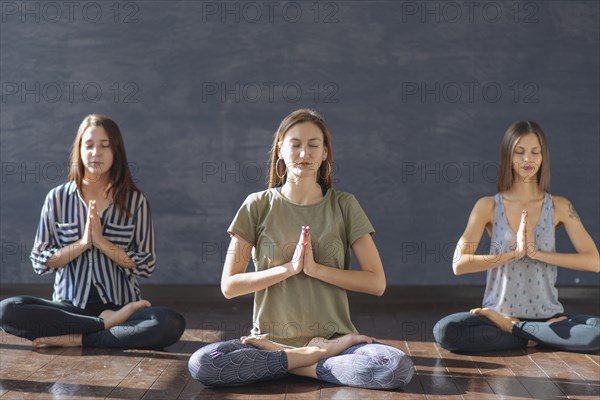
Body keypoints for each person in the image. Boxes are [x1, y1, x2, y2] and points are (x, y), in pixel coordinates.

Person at [188, 109, 414, 389]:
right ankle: (313, 359)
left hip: (337, 341)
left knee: (395, 368)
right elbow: (230, 285)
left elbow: (376, 282)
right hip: (265, 342)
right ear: (280, 149)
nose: (304, 153)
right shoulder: (256, 205)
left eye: (313, 145)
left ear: (324, 153)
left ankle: (290, 362)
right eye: (295, 144)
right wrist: (290, 269)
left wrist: (315, 269)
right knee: (204, 363)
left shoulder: (344, 205)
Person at [0, 114, 185, 349]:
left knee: (170, 323)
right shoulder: (57, 198)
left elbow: (146, 264)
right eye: (89, 145)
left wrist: (102, 242)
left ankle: (79, 338)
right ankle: (101, 326)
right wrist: (84, 243)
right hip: (69, 310)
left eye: (104, 146)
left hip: (123, 308)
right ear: (79, 150)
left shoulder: (135, 201)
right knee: (7, 310)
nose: (96, 152)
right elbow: (40, 261)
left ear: (116, 152)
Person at [434, 120, 600, 353]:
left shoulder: (560, 206)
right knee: (446, 330)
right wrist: (515, 254)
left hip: (548, 318)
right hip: (496, 318)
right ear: (508, 157)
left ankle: (519, 330)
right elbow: (459, 264)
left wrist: (536, 253)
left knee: (596, 333)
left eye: (535, 152)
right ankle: (535, 336)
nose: (527, 159)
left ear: (544, 157)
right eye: (519, 152)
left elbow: (594, 261)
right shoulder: (488, 206)